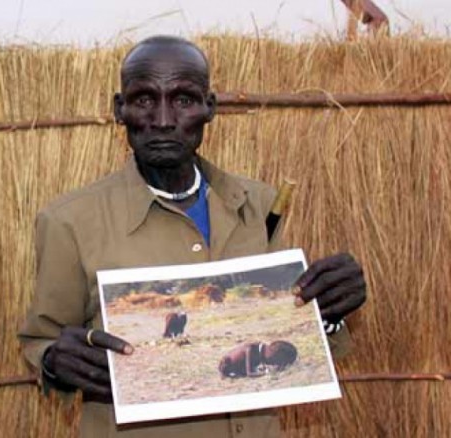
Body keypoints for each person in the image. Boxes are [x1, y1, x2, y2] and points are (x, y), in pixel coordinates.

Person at [18, 35, 366, 437]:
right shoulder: (70, 222)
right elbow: (40, 341)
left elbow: (286, 325)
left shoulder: (258, 206)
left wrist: (331, 315)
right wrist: (53, 362)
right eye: (145, 99)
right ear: (120, 110)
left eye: (183, 99)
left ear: (209, 109)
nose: (164, 119)